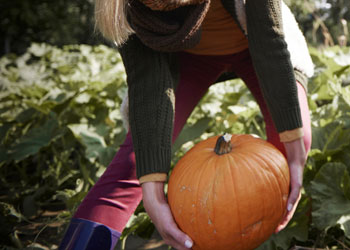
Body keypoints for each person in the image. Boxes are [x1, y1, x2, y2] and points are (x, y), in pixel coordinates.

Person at [58, 0, 314, 249]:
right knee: (135, 162)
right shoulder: (123, 5)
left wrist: (293, 144)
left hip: (257, 42)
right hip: (188, 58)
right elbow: (148, 84)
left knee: (294, 139)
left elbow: (268, 39)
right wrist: (153, 192)